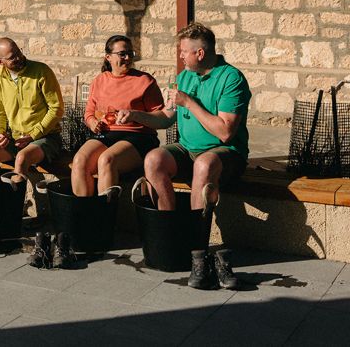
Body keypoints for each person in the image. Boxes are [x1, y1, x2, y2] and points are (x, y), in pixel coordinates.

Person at [121, 22, 250, 291]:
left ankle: (197, 253)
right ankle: (171, 235)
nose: (180, 57)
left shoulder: (231, 79)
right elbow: (166, 119)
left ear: (200, 54)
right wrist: (135, 115)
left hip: (225, 154)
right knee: (154, 159)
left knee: (204, 164)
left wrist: (190, 102)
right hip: (187, 149)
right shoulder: (185, 76)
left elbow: (225, 132)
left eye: (184, 52)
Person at [69, 35, 165, 198]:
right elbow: (89, 113)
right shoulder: (100, 80)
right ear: (108, 57)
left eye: (130, 53)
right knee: (79, 161)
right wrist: (92, 123)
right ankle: (84, 217)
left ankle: (105, 218)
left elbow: (160, 115)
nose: (128, 58)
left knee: (107, 160)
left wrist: (136, 115)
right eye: (122, 54)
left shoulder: (145, 81)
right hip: (107, 133)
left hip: (139, 136)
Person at [0, 38, 64, 186]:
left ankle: (13, 205)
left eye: (18, 52)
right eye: (12, 57)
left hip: (45, 137)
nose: (18, 58)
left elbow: (56, 108)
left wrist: (34, 134)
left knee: (21, 158)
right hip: (15, 137)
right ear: (0, 62)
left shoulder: (42, 71)